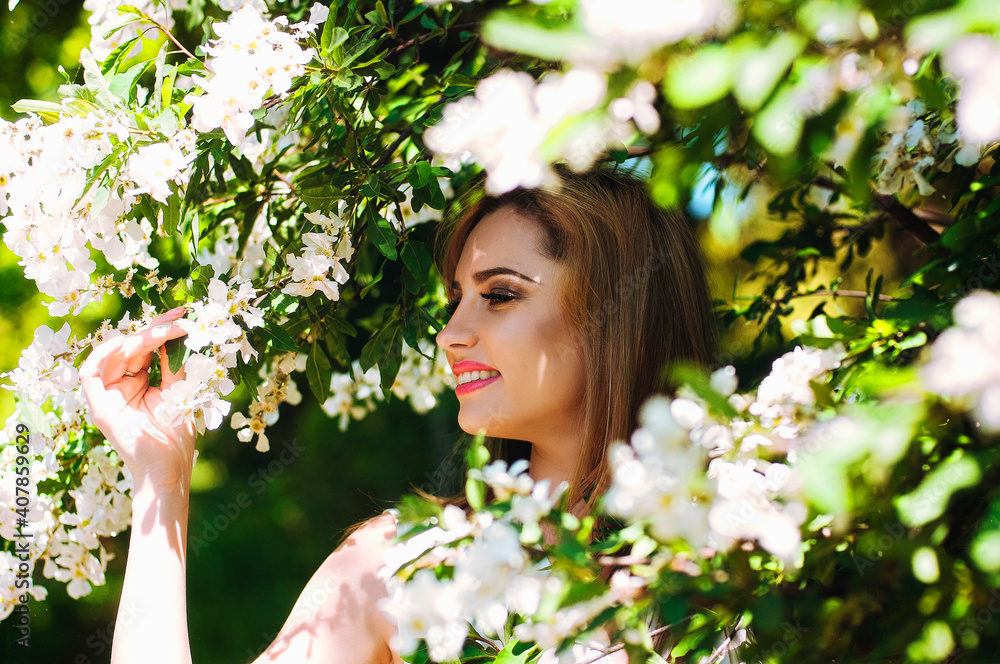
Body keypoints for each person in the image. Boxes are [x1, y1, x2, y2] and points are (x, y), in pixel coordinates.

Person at [80, 165, 716, 664]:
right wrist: (160, 485)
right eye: (456, 298)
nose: (451, 333)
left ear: (619, 313)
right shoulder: (399, 565)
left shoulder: (761, 542)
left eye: (499, 295)